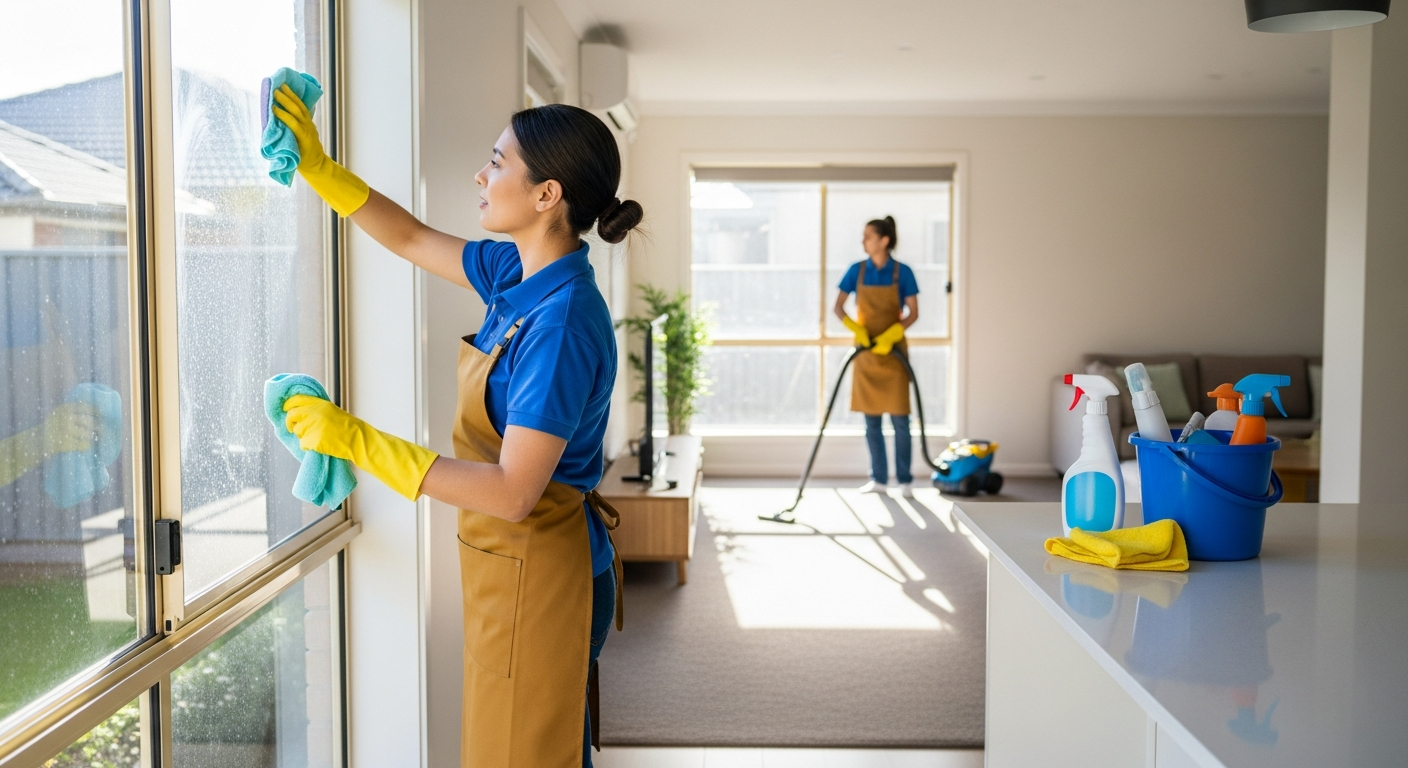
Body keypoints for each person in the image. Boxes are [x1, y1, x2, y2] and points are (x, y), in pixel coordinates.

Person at [272, 87, 639, 767]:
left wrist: (357, 440)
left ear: (545, 194)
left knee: (528, 754)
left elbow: (511, 493)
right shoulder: (516, 273)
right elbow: (410, 236)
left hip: (542, 563)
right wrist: (319, 168)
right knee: (533, 747)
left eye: (497, 163)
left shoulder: (560, 324)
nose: (481, 174)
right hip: (511, 562)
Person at [833, 216, 920, 497]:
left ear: (884, 240)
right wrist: (857, 330)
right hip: (866, 354)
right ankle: (879, 479)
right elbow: (838, 308)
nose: (863, 241)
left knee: (900, 420)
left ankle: (905, 480)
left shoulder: (902, 272)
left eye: (868, 236)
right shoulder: (856, 271)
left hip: (894, 354)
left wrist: (892, 334)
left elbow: (913, 312)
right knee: (871, 421)